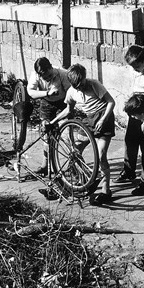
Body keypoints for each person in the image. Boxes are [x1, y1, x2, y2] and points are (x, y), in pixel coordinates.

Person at [50, 64, 116, 206]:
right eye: (77, 86)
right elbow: (68, 110)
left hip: (104, 118)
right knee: (75, 150)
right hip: (88, 120)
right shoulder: (72, 92)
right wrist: (53, 121)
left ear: (85, 78)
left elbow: (111, 102)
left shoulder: (94, 85)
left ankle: (106, 191)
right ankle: (82, 179)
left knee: (101, 155)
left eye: (82, 84)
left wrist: (104, 119)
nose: (80, 88)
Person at [115, 45, 144, 196]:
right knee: (130, 141)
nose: (134, 69)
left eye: (137, 66)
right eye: (132, 66)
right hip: (135, 111)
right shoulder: (135, 68)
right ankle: (129, 171)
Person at [26, 57, 71, 179]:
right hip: (47, 101)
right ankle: (45, 165)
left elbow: (70, 93)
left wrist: (67, 111)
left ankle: (73, 163)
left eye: (49, 75)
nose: (48, 78)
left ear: (51, 67)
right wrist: (46, 93)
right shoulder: (35, 75)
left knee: (67, 132)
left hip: (63, 101)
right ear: (39, 75)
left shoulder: (62, 74)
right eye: (45, 77)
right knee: (46, 133)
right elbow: (30, 91)